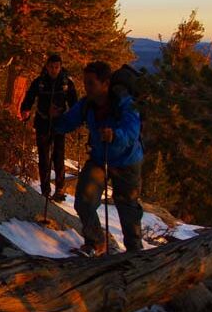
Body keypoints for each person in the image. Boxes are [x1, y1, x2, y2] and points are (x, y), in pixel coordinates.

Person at [52, 60, 144, 256]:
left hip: (126, 161)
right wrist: (55, 120)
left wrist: (115, 135)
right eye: (85, 82)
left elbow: (131, 132)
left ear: (106, 83)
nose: (87, 87)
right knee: (83, 201)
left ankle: (135, 253)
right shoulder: (87, 105)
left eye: (91, 83)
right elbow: (68, 122)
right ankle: (95, 243)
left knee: (128, 209)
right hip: (100, 159)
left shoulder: (124, 103)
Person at [19, 53, 78, 201]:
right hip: (43, 122)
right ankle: (45, 190)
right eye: (51, 67)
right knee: (44, 157)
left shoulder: (66, 83)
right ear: (47, 66)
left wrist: (76, 119)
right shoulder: (40, 82)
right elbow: (30, 96)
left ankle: (59, 190)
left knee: (58, 157)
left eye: (56, 67)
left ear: (60, 67)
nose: (54, 70)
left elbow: (74, 102)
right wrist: (25, 109)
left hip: (59, 123)